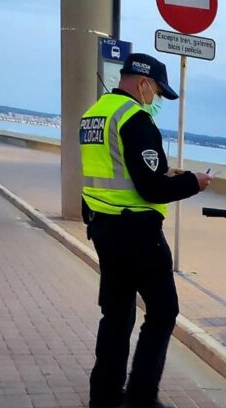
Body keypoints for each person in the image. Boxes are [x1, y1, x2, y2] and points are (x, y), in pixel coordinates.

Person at [81, 53, 212, 408]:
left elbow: (120, 170)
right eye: (156, 91)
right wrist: (194, 183)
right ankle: (141, 397)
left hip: (103, 228)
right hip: (138, 234)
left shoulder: (95, 115)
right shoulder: (136, 119)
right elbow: (151, 189)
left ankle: (104, 396)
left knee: (116, 314)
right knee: (164, 311)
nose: (156, 99)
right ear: (142, 83)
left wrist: (165, 173)